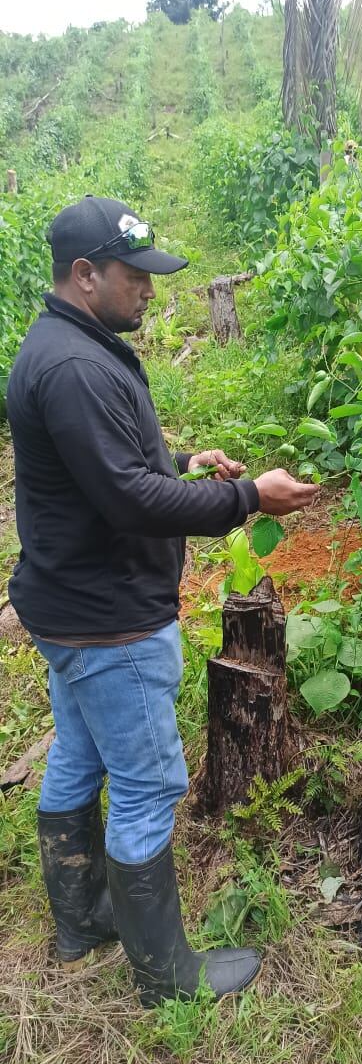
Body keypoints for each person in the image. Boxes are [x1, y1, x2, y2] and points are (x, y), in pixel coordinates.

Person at [6, 195, 318, 1008]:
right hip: (108, 621)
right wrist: (248, 496)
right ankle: (167, 978)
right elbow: (128, 501)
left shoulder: (68, 345)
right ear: (85, 276)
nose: (150, 289)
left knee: (78, 753)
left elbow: (107, 464)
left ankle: (82, 919)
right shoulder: (75, 366)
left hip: (68, 605)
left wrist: (176, 456)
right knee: (147, 785)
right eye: (134, 275)